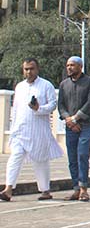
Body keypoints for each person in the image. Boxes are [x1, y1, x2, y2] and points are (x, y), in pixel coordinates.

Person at [0, 58, 64, 202]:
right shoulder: (20, 87)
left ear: (37, 69)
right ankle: (8, 189)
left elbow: (53, 105)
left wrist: (38, 109)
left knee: (40, 161)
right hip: (20, 131)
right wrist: (13, 128)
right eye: (26, 69)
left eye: (31, 69)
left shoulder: (46, 85)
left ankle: (45, 190)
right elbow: (16, 109)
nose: (29, 72)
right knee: (14, 158)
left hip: (38, 131)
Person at [58, 56, 90, 202]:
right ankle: (75, 188)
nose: (69, 68)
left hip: (86, 125)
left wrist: (76, 118)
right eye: (68, 65)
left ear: (80, 67)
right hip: (70, 126)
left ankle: (83, 188)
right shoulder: (64, 84)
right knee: (72, 158)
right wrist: (68, 119)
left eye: (72, 65)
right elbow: (61, 105)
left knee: (82, 155)